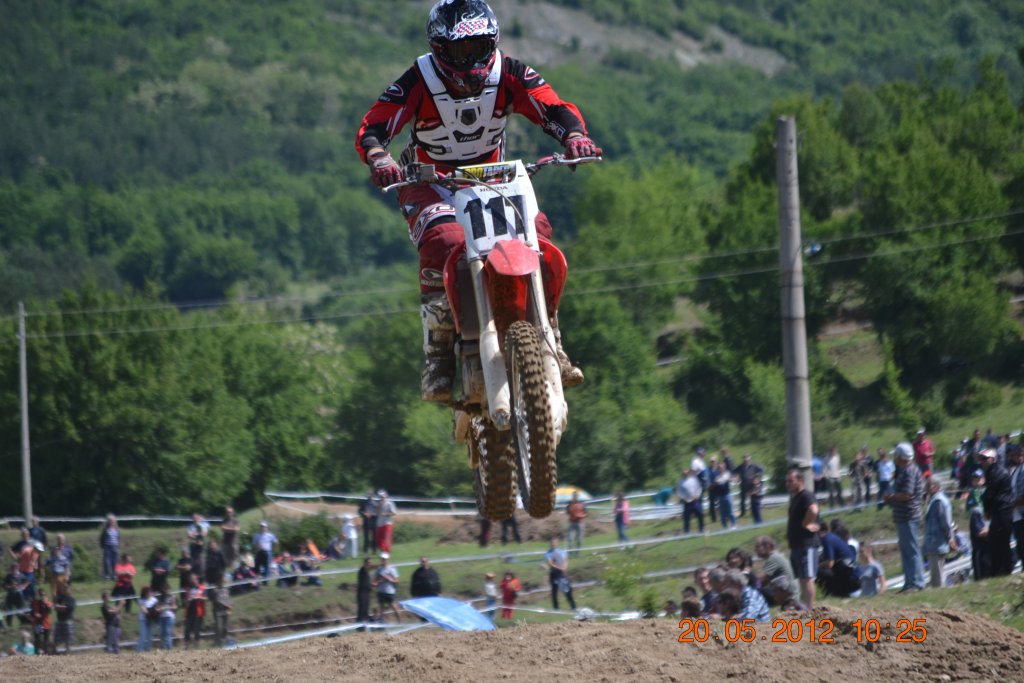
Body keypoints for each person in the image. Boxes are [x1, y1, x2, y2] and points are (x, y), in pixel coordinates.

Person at [355, 0, 599, 402]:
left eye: (478, 48)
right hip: (428, 180)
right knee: (445, 241)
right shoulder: (418, 80)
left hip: (491, 179)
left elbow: (553, 106)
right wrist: (379, 157)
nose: (470, 62)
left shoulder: (510, 73)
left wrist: (574, 136)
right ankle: (438, 351)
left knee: (538, 233)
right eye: (459, 51)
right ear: (439, 49)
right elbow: (375, 125)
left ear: (493, 43)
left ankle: (551, 332)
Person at [884, 442, 926, 592]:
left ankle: (917, 582)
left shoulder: (909, 471)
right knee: (907, 551)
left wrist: (892, 496)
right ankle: (909, 582)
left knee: (912, 550)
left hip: (909, 516)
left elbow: (907, 494)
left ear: (900, 457)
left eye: (896, 455)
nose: (894, 458)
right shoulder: (905, 470)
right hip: (903, 516)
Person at [786, 467, 821, 609]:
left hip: (807, 544)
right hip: (797, 544)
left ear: (800, 480)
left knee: (807, 578)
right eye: (787, 481)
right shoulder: (795, 498)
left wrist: (806, 524)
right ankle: (806, 607)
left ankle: (810, 609)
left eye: (791, 481)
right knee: (802, 578)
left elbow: (813, 509)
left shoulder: (806, 495)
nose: (788, 484)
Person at [979, 448, 1014, 576]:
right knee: (995, 542)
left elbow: (990, 493)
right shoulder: (990, 472)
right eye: (981, 459)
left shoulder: (998, 472)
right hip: (998, 511)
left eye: (985, 458)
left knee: (1002, 541)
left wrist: (986, 509)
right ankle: (998, 570)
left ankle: (1005, 569)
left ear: (993, 459)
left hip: (1003, 511)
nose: (982, 461)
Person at [922, 477, 955, 588]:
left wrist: (950, 538)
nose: (927, 488)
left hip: (936, 541)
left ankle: (939, 591)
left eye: (929, 485)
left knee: (937, 576)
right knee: (938, 571)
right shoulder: (935, 500)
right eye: (927, 485)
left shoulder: (938, 501)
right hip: (936, 542)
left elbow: (945, 522)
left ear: (936, 486)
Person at [754, 536, 798, 607]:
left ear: (768, 546)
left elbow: (759, 580)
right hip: (786, 591)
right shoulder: (776, 556)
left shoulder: (773, 558)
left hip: (789, 595)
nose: (756, 550)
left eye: (758, 546)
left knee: (753, 591)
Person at [968, 470, 991, 581]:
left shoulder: (987, 490)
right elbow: (979, 532)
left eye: (979, 479)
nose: (977, 481)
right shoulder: (972, 494)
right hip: (980, 548)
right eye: (975, 479)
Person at [544, 536, 576, 611]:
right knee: (554, 591)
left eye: (555, 542)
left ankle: (573, 606)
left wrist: (565, 567)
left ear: (558, 543)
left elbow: (566, 560)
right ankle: (556, 608)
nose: (553, 544)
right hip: (554, 574)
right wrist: (559, 568)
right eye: (552, 542)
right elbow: (550, 563)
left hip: (562, 574)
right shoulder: (548, 553)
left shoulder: (562, 551)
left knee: (567, 590)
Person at [373, 552, 401, 623]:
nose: (383, 560)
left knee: (394, 607)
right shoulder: (379, 569)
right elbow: (374, 581)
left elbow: (397, 580)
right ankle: (380, 622)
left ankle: (400, 622)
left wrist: (390, 579)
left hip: (390, 591)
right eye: (382, 559)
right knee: (381, 608)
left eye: (385, 559)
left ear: (388, 559)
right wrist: (379, 582)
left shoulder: (392, 568)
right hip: (381, 591)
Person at [677, 467, 704, 534]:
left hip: (695, 500)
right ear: (682, 474)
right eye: (684, 473)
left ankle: (701, 529)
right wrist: (683, 498)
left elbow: (699, 488)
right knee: (687, 517)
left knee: (700, 513)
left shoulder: (694, 480)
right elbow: (679, 492)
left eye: (686, 473)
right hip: (687, 502)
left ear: (688, 473)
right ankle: (687, 531)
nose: (685, 474)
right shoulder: (680, 482)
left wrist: (697, 495)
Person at [183, 573, 205, 649]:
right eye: (191, 579)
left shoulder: (202, 588)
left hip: (198, 612)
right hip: (189, 612)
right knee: (187, 630)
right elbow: (185, 600)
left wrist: (198, 598)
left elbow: (205, 598)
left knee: (197, 630)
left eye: (194, 579)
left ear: (197, 579)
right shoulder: (187, 589)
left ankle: (196, 647)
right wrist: (187, 601)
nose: (192, 580)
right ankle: (186, 647)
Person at [713, 461, 737, 529]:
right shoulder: (717, 476)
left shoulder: (727, 474)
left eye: (722, 467)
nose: (720, 468)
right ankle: (724, 526)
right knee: (722, 512)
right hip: (720, 496)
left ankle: (734, 525)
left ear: (724, 467)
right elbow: (714, 486)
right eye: (719, 467)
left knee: (730, 510)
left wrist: (729, 479)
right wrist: (715, 483)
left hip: (727, 494)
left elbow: (733, 479)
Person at [210, 577, 233, 647]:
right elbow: (217, 600)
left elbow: (229, 599)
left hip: (226, 611)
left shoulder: (226, 589)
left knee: (225, 628)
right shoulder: (215, 590)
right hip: (218, 612)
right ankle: (219, 643)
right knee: (219, 628)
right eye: (221, 581)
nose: (222, 582)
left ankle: (223, 641)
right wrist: (227, 606)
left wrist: (230, 608)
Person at [52, 585, 75, 654]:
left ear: (70, 590)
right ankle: (54, 650)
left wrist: (60, 607)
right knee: (56, 636)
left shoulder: (71, 599)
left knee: (68, 637)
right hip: (59, 620)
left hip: (67, 620)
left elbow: (67, 608)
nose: (65, 590)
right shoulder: (60, 598)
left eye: (67, 589)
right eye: (64, 589)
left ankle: (67, 650)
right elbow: (55, 607)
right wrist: (60, 607)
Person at [30, 587, 53, 655]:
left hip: (46, 623)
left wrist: (45, 603)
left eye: (43, 595)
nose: (42, 596)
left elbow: (49, 611)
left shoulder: (48, 603)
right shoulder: (35, 603)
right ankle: (37, 653)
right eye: (40, 595)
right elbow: (32, 612)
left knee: (46, 639)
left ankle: (46, 653)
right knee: (38, 639)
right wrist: (34, 614)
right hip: (37, 623)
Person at [135, 586, 158, 652]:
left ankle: (148, 649)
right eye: (148, 592)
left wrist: (155, 613)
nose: (149, 593)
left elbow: (157, 608)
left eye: (150, 592)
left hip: (151, 619)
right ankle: (139, 650)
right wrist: (150, 612)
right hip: (143, 619)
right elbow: (144, 609)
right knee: (143, 635)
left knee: (150, 636)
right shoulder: (141, 600)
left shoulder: (154, 600)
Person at [99, 514, 120, 582]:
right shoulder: (106, 529)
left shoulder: (116, 529)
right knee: (107, 562)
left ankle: (114, 575)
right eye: (110, 520)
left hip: (115, 547)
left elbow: (117, 538)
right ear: (108, 521)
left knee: (115, 562)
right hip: (107, 547)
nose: (112, 522)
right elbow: (101, 538)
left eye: (113, 520)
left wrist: (118, 546)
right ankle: (107, 576)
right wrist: (103, 546)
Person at [375, 490, 397, 554]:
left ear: (386, 495)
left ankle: (387, 552)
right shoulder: (378, 503)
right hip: (379, 523)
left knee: (387, 538)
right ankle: (383, 550)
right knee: (378, 539)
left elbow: (394, 513)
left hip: (387, 523)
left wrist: (386, 514)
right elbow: (377, 512)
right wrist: (380, 505)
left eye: (382, 495)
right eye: (380, 496)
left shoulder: (390, 503)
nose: (381, 497)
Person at [358, 491, 378, 556]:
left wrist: (373, 514)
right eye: (368, 495)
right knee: (366, 538)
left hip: (373, 522)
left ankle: (374, 550)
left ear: (373, 496)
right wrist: (364, 514)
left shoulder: (376, 503)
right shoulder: (363, 503)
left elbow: (378, 513)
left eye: (370, 495)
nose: (369, 496)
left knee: (374, 537)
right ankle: (365, 551)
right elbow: (359, 512)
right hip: (366, 521)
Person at [220, 507, 240, 571]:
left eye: (230, 512)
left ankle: (234, 569)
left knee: (234, 556)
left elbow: (236, 530)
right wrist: (232, 529)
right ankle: (227, 569)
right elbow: (222, 528)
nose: (229, 513)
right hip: (226, 541)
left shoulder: (235, 521)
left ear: (233, 512)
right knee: (225, 556)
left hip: (234, 542)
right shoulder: (224, 521)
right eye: (227, 512)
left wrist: (227, 529)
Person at [356, 558, 374, 624]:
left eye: (371, 563)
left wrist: (373, 584)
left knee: (366, 609)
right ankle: (359, 624)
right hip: (362, 593)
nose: (370, 564)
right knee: (362, 609)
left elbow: (367, 582)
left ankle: (365, 623)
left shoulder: (368, 572)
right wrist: (381, 565)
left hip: (367, 593)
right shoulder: (363, 569)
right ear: (365, 563)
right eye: (369, 563)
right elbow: (369, 567)